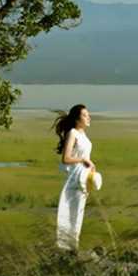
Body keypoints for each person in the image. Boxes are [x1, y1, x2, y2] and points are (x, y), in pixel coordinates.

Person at [52, 104, 102, 251]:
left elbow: (85, 157)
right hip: (74, 179)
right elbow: (66, 158)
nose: (89, 117)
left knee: (78, 214)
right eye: (85, 115)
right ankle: (67, 248)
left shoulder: (84, 136)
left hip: (83, 179)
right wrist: (83, 160)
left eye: (88, 114)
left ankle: (73, 247)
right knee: (70, 213)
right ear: (77, 118)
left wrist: (90, 167)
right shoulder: (73, 133)